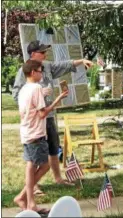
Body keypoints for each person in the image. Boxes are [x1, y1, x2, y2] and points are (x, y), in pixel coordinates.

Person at [12, 40, 94, 192]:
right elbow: (17, 94)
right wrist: (36, 96)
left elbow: (64, 65)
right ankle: (33, 186)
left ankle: (58, 178)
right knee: (35, 154)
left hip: (49, 115)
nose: (45, 54)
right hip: (36, 120)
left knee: (53, 148)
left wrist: (81, 61)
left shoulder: (47, 66)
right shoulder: (24, 71)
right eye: (42, 52)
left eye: (45, 52)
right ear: (33, 54)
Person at [14, 60, 68, 213]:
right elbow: (43, 113)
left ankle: (30, 202)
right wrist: (58, 99)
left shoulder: (24, 89)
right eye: (39, 70)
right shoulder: (37, 87)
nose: (42, 73)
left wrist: (43, 94)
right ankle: (23, 196)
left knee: (31, 166)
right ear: (32, 72)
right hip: (36, 134)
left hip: (26, 132)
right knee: (45, 166)